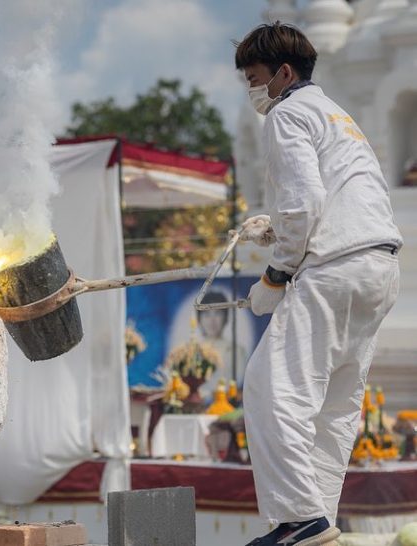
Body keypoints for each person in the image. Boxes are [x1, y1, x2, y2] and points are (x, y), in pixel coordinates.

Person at [234, 23, 402, 546]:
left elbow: (304, 200)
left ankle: (297, 518)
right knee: (333, 404)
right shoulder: (337, 114)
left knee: (269, 387)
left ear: (284, 74)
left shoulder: (286, 112)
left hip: (333, 266)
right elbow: (326, 195)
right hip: (378, 265)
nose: (253, 90)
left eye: (256, 78)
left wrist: (277, 272)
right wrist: (279, 228)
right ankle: (316, 524)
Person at [196, 291, 248, 396]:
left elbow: (242, 384)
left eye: (218, 313)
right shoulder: (191, 352)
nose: (212, 320)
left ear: (226, 317)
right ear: (199, 319)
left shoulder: (238, 351)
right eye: (206, 314)